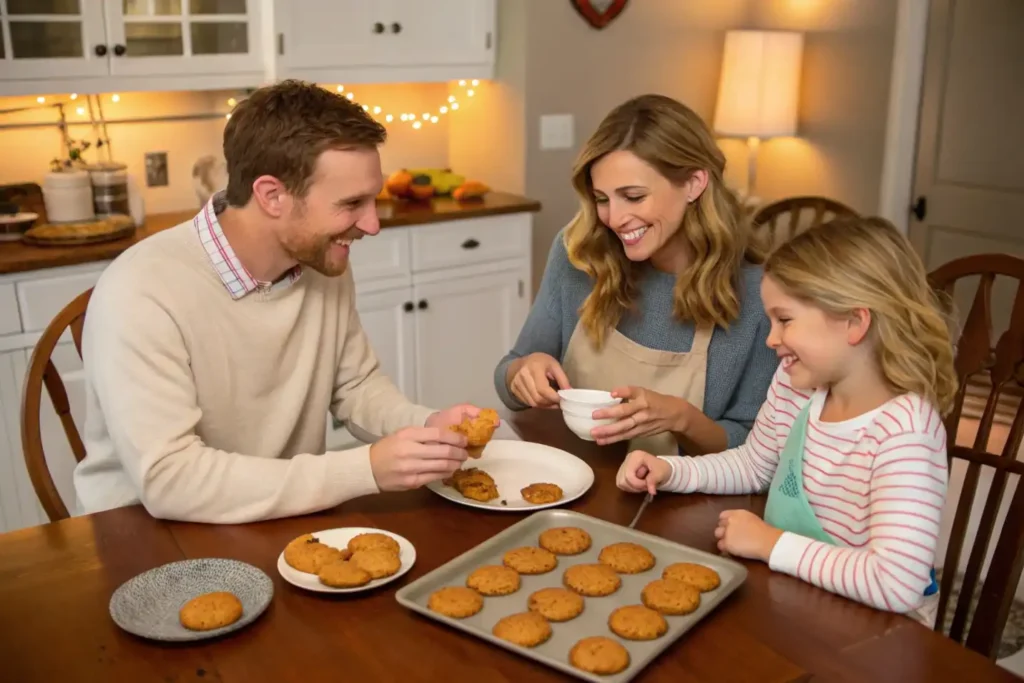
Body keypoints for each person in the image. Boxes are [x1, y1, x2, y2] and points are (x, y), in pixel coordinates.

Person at [74, 80, 487, 524]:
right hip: (144, 537)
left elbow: (355, 388)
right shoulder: (141, 293)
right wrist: (364, 469)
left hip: (280, 521)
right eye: (352, 204)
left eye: (373, 199)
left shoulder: (322, 261)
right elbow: (172, 480)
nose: (372, 224)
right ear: (272, 195)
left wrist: (427, 428)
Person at [616, 216, 956, 620]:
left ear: (854, 322)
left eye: (785, 320)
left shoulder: (905, 432)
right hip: (801, 602)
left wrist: (771, 544)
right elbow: (753, 464)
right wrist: (670, 471)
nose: (771, 339)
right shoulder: (796, 386)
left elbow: (895, 583)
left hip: (878, 636)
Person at [494, 94, 777, 456]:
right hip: (575, 479)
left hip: (679, 502)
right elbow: (508, 375)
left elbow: (757, 446)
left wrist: (682, 419)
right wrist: (522, 371)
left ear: (694, 183)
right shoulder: (579, 253)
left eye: (633, 196)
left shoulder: (757, 292)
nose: (614, 218)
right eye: (602, 199)